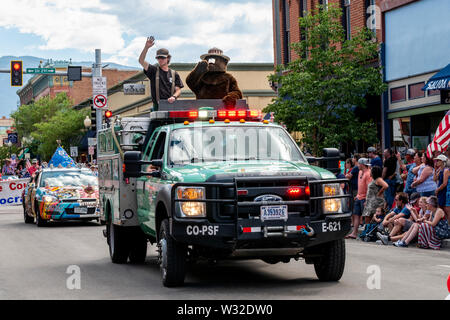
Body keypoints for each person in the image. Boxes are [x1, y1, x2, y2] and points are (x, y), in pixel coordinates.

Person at [138, 37, 184, 110]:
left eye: (162, 58)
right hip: (157, 106)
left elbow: (178, 90)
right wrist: (146, 47)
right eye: (158, 58)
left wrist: (174, 97)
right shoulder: (153, 70)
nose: (160, 60)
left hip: (172, 105)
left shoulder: (174, 74)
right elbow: (141, 61)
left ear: (168, 58)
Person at [346, 158, 372, 239]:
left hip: (365, 198)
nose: (357, 165)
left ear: (362, 164)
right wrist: (357, 195)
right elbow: (360, 185)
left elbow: (369, 187)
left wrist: (367, 200)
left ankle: (367, 233)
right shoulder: (360, 172)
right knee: (356, 214)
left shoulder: (368, 173)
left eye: (358, 164)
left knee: (367, 217)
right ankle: (354, 232)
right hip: (359, 197)